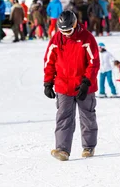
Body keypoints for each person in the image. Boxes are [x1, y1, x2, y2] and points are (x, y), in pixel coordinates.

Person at [43, 10, 100, 161]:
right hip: (63, 85)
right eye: (63, 31)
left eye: (69, 30)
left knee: (87, 116)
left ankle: (88, 146)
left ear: (75, 25)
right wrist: (48, 82)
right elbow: (49, 61)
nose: (66, 34)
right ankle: (62, 150)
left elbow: (94, 63)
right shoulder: (56, 39)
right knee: (64, 117)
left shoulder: (87, 38)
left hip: (84, 86)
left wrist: (86, 82)